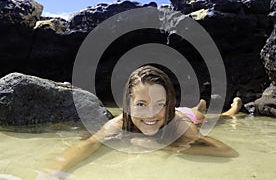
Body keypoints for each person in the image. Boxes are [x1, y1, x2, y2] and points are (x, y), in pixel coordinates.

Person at [35, 65, 241, 179]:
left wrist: (163, 146)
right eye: (141, 104)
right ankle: (201, 105)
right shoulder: (120, 123)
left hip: (186, 115)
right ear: (127, 105)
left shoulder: (178, 123)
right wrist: (50, 173)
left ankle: (231, 108)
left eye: (159, 104)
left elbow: (226, 151)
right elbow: (89, 143)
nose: (150, 114)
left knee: (214, 118)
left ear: (169, 103)